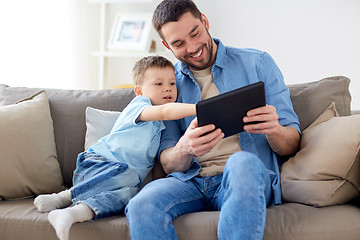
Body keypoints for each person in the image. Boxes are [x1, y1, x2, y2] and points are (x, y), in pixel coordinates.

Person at [125, 0, 301, 239]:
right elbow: (167, 163)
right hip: (190, 182)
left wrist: (274, 130)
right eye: (179, 43)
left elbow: (292, 144)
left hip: (242, 176)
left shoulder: (257, 64)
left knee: (242, 162)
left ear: (205, 22)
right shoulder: (168, 84)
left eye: (195, 33)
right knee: (141, 204)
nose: (192, 47)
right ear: (167, 46)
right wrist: (184, 148)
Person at [33, 55, 196, 240]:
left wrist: (157, 186)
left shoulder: (160, 127)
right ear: (139, 91)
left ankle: (71, 213)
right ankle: (64, 197)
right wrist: (198, 108)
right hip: (99, 163)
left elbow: (157, 164)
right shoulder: (139, 106)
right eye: (159, 84)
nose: (168, 88)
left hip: (125, 179)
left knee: (131, 194)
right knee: (128, 174)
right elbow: (166, 111)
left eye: (173, 83)